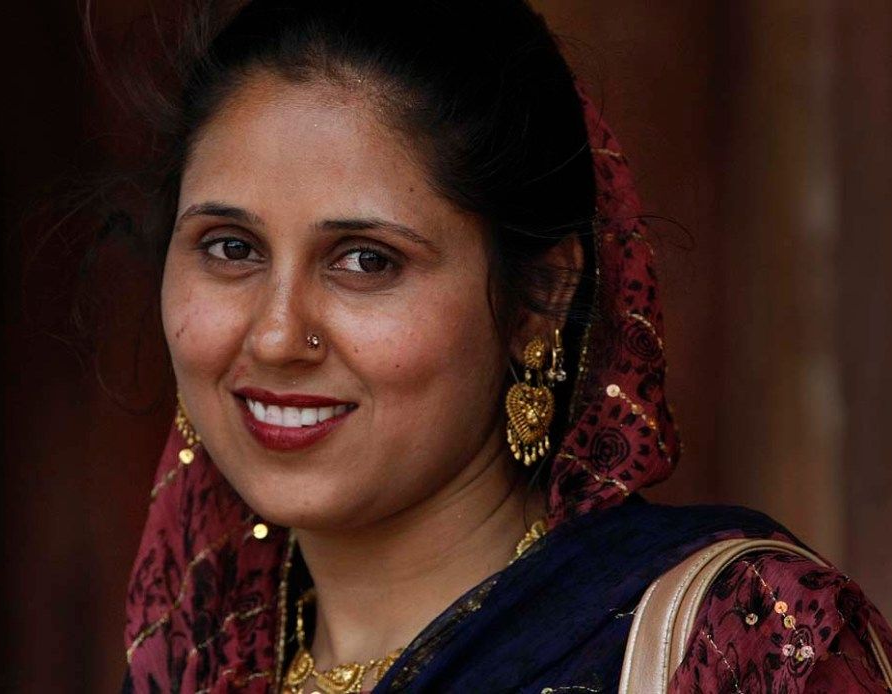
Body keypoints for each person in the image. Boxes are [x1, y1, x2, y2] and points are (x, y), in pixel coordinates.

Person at [118, 1, 892, 691]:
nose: (277, 335)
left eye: (366, 261)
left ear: (540, 295)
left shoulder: (740, 647)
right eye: (229, 248)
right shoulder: (199, 668)